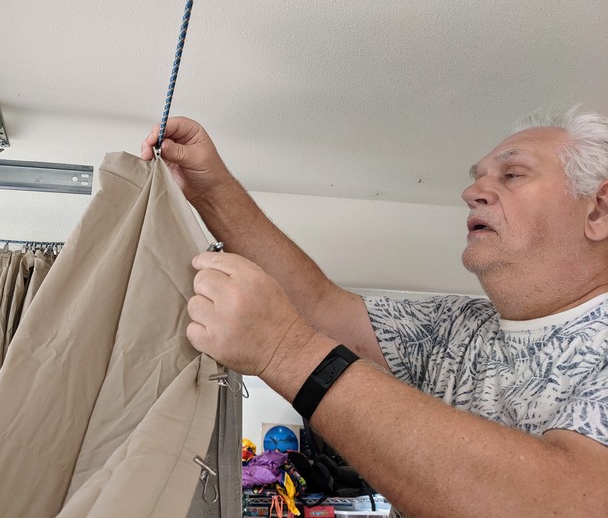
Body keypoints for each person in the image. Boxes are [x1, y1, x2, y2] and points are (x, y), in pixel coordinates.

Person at [141, 110, 608, 517]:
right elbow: (322, 309)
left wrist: (287, 352)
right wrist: (213, 190)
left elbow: (572, 503)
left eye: (512, 175)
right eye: (477, 176)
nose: (472, 191)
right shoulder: (455, 327)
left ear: (598, 210)